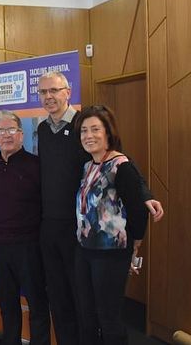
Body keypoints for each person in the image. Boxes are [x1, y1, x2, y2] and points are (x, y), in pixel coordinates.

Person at [36, 72, 164, 345]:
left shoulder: (84, 123)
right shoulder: (43, 129)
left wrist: (145, 195)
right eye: (43, 92)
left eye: (54, 90)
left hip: (85, 234)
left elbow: (124, 167)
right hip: (59, 230)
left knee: (96, 309)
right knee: (62, 298)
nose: (49, 97)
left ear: (67, 92)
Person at [74, 105, 151, 345]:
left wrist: (135, 246)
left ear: (108, 132)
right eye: (84, 131)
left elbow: (138, 210)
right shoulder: (88, 165)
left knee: (108, 317)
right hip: (85, 249)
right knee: (87, 315)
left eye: (95, 129)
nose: (89, 135)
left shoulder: (122, 166)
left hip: (112, 253)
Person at [0, 110, 50, 345]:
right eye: (1, 131)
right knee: (7, 303)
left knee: (37, 303)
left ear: (21, 135)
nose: (6, 135)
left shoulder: (37, 165)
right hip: (0, 246)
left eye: (12, 130)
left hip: (29, 246)